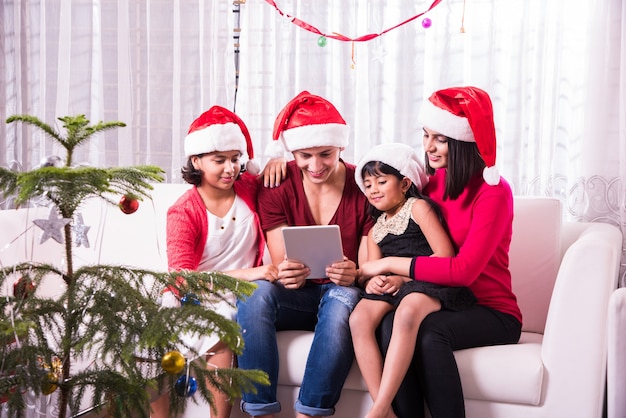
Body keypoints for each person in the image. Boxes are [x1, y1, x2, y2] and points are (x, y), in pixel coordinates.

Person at [359, 86, 523, 418]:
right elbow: (380, 187)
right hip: (439, 297)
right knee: (387, 324)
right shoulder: (430, 185)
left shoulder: (494, 193)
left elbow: (462, 271)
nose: (429, 147)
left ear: (463, 141)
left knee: (430, 334)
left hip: (490, 309)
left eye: (441, 138)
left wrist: (392, 265)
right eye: (426, 135)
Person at [236, 90, 375, 418]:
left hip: (341, 292)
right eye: (304, 155)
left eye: (325, 153)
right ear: (292, 152)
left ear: (341, 146)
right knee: (255, 293)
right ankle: (260, 410)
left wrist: (355, 272)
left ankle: (310, 412)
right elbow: (281, 258)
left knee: (342, 299)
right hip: (296, 296)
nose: (316, 166)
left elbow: (369, 264)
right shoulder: (277, 185)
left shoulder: (364, 184)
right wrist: (286, 270)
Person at [151, 105, 279, 418]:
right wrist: (255, 272)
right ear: (196, 161)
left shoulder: (249, 189)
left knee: (223, 328)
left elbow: (284, 180)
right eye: (219, 160)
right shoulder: (183, 211)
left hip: (239, 293)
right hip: (195, 293)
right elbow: (184, 278)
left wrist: (278, 160)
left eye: (235, 159)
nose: (230, 168)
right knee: (154, 342)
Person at [350, 143, 476, 418]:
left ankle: (379, 409)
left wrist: (401, 276)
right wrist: (370, 283)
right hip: (393, 287)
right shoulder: (375, 229)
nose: (373, 190)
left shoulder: (418, 208)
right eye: (368, 184)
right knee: (358, 318)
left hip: (428, 282)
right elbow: (371, 269)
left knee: (406, 313)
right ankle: (387, 411)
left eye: (381, 182)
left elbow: (445, 256)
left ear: (405, 183)